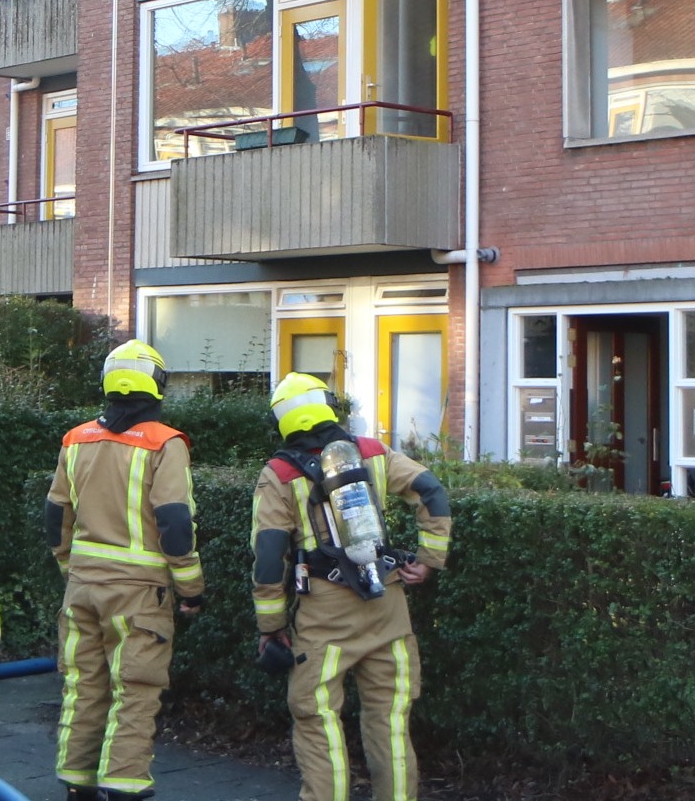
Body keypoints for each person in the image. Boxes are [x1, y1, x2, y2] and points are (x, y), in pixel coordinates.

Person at [251, 372, 452, 801]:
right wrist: (430, 558)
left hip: (325, 614)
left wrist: (270, 624)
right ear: (327, 406)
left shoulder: (280, 473)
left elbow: (270, 554)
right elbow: (431, 491)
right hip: (387, 602)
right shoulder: (372, 453)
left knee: (317, 719)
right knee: (391, 722)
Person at [44, 340, 205, 801]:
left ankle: (77, 780)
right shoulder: (164, 443)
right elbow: (174, 522)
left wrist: (71, 569)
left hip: (82, 588)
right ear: (157, 385)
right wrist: (191, 587)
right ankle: (124, 785)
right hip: (139, 596)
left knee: (84, 685)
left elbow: (56, 519)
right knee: (135, 689)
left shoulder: (76, 440)